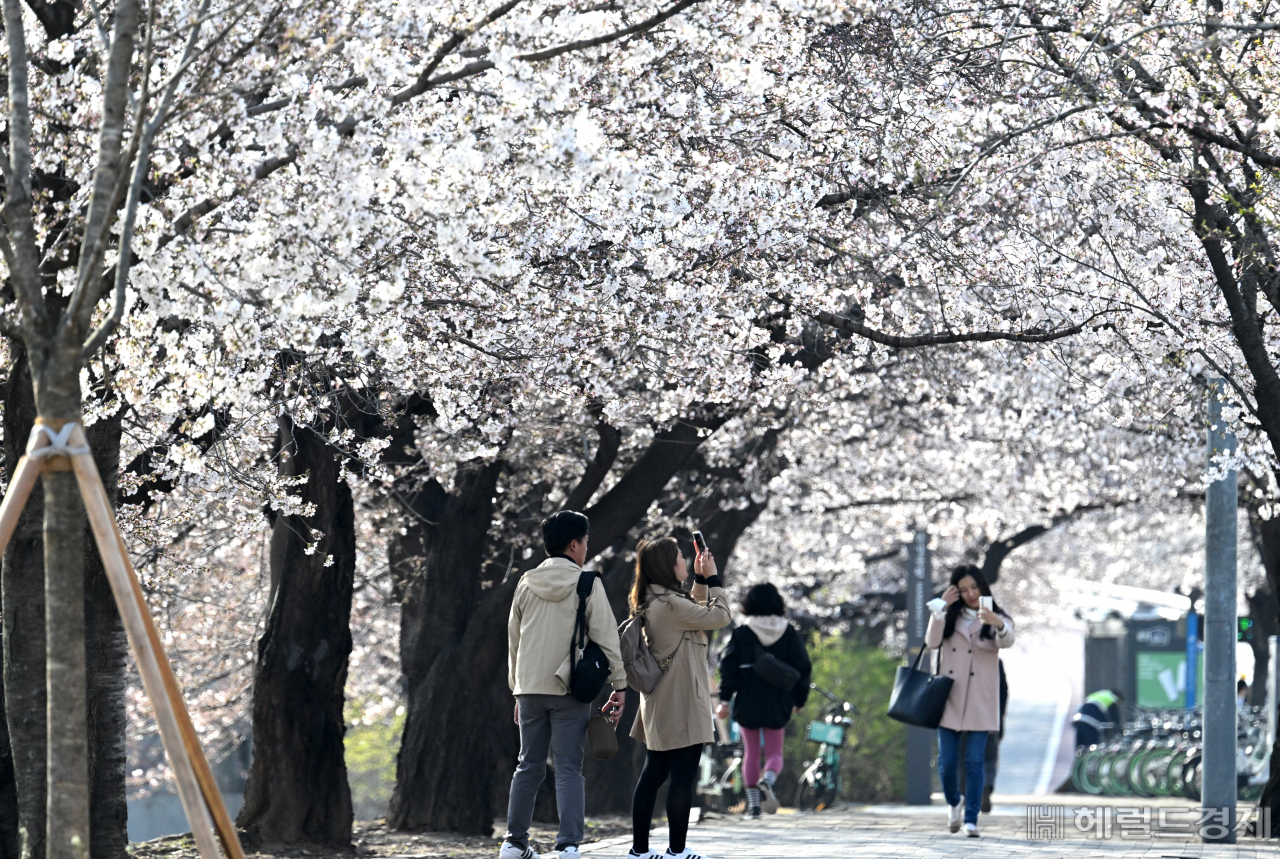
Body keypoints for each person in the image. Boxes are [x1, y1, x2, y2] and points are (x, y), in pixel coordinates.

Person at [502, 511, 628, 859]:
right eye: (585, 542)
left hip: (528, 687)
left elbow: (513, 640)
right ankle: (568, 846)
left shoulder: (526, 583)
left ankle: (514, 844)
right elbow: (606, 637)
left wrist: (517, 687)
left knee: (528, 764)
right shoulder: (587, 584)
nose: (586, 548)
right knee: (569, 767)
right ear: (574, 544)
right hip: (568, 688)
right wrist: (620, 684)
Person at [628, 537, 732, 859]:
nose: (686, 561)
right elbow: (719, 617)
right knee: (682, 776)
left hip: (664, 698)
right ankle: (676, 849)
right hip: (682, 699)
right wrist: (714, 579)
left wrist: (699, 580)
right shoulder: (670, 606)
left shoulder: (659, 600)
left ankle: (641, 850)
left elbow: (694, 612)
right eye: (680, 558)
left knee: (655, 773)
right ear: (667, 566)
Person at [927, 565, 1015, 838]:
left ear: (982, 587)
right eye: (963, 590)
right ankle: (954, 801)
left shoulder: (995, 618)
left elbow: (1008, 640)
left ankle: (971, 819)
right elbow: (931, 642)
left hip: (980, 699)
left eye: (974, 588)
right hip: (950, 697)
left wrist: (996, 622)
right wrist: (940, 607)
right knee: (947, 760)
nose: (970, 594)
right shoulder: (949, 616)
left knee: (975, 762)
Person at [714, 583, 811, 819]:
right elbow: (803, 666)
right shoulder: (788, 632)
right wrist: (799, 698)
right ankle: (768, 780)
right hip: (778, 699)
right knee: (775, 752)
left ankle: (754, 808)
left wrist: (725, 700)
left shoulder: (742, 632)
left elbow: (728, 668)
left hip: (748, 698)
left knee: (752, 753)